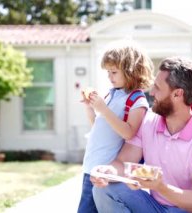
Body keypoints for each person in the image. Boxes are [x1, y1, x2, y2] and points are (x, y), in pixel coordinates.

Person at [90, 57, 192, 213]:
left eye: (157, 88)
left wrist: (161, 187)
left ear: (177, 94)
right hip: (155, 207)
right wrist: (107, 172)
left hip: (190, 210)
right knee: (104, 190)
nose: (151, 93)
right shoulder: (148, 123)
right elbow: (123, 163)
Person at [77, 40, 154, 213]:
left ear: (130, 71)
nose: (109, 77)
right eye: (108, 72)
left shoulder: (137, 101)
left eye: (113, 72)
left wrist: (103, 109)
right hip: (91, 166)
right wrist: (90, 108)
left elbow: (128, 132)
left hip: (106, 171)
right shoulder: (112, 94)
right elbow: (99, 126)